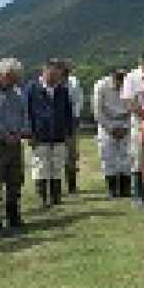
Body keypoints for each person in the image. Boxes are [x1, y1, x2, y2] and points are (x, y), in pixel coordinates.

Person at [0, 58, 30, 231]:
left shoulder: (16, 92)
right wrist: (5, 135)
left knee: (15, 181)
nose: (17, 81)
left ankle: (14, 216)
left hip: (15, 143)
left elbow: (24, 114)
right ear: (4, 74)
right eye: (14, 78)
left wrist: (21, 131)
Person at [25, 59, 73, 208]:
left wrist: (68, 133)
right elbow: (26, 112)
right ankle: (43, 197)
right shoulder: (32, 88)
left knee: (57, 165)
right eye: (53, 74)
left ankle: (56, 196)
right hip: (39, 134)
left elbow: (68, 113)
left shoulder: (62, 90)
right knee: (41, 166)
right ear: (45, 71)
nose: (55, 78)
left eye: (58, 75)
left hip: (58, 133)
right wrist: (29, 133)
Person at [94, 69, 132, 198]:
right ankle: (112, 189)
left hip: (125, 122)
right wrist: (110, 128)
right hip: (107, 123)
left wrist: (126, 127)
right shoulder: (100, 86)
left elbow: (133, 108)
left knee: (126, 157)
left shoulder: (129, 84)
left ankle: (125, 188)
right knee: (108, 156)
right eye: (118, 83)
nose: (120, 87)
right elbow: (98, 111)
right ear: (112, 78)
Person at [121, 53, 144, 205]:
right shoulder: (132, 78)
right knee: (138, 158)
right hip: (139, 123)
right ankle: (138, 194)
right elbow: (129, 101)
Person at [62, 61, 84, 194]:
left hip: (70, 122)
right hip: (56, 122)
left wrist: (74, 119)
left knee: (71, 155)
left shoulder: (73, 83)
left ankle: (72, 185)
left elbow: (78, 101)